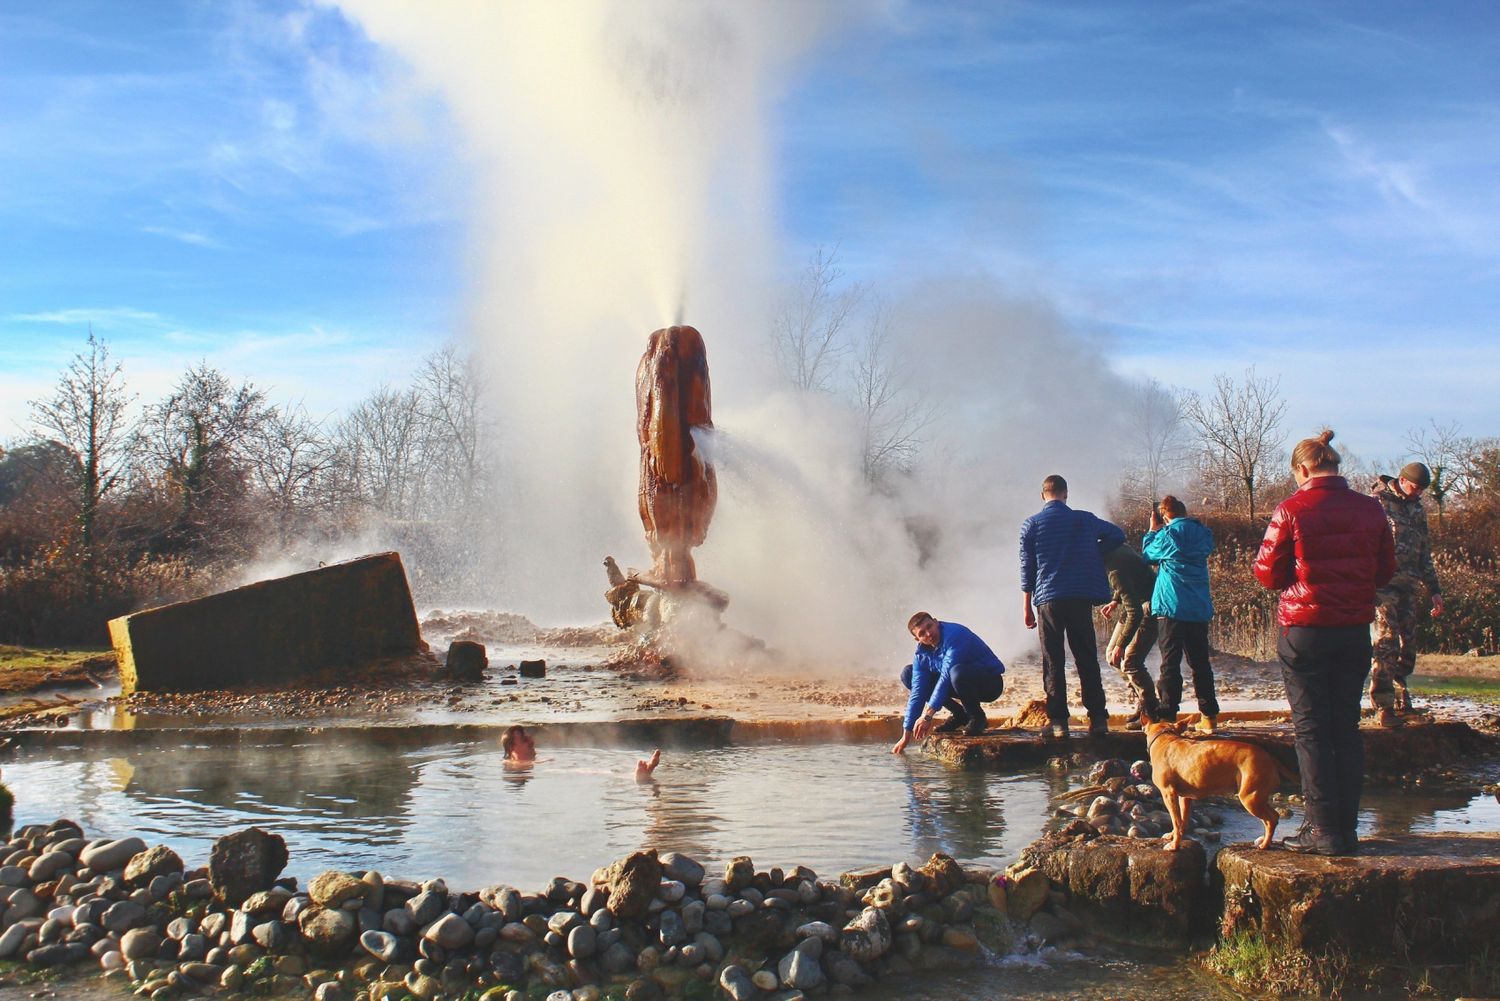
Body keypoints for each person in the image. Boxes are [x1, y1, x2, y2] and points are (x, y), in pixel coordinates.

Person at [1253, 430, 1395, 856]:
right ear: (1335, 465)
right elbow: (1385, 572)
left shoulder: (1290, 510)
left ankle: (1322, 830)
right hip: (1353, 630)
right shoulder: (1372, 510)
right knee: (1346, 729)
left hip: (1305, 632)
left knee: (1312, 731)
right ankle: (1346, 830)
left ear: (1301, 469)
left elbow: (1267, 574)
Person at [1019, 475, 1126, 738]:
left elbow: (1027, 568)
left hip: (1048, 599)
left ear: (1042, 495)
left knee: (1053, 660)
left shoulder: (1031, 525)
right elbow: (1117, 535)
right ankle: (1098, 719)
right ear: (1066, 494)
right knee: (1086, 657)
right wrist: (1093, 551)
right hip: (1079, 597)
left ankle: (1058, 723)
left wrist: (1026, 607)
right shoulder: (1085, 519)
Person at [1369, 462, 1444, 726]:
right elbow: (1365, 543)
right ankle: (1384, 705)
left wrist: (1434, 590)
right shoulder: (1377, 503)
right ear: (1401, 480)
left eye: (1422, 490)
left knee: (1407, 646)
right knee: (1386, 641)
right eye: (1414, 487)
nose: (1418, 493)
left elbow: (1424, 554)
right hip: (1383, 585)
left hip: (1409, 586)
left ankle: (1401, 695)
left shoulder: (1417, 509)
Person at [1143, 495, 1220, 733]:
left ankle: (1167, 714)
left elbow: (1148, 555)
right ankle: (1209, 716)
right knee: (1200, 663)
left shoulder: (1167, 535)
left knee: (1170, 664)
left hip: (1171, 607)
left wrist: (1152, 531)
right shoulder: (1203, 534)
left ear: (1165, 516)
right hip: (1197, 608)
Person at [892, 612, 1006, 753]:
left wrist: (927, 716)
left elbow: (946, 678)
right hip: (958, 681)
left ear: (936, 622)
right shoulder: (921, 656)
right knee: (908, 673)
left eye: (930, 626)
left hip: (990, 684)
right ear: (917, 639)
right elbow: (917, 693)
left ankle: (977, 717)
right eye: (922, 633)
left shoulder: (955, 634)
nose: (928, 633)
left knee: (956, 672)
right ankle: (960, 715)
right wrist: (905, 736)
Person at [1100, 542, 1163, 729]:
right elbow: (1132, 577)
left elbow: (1136, 612)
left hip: (1148, 607)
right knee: (1111, 656)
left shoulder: (1114, 568)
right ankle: (1142, 700)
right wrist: (1115, 600)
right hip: (1136, 604)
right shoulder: (1119, 548)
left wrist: (1122, 644)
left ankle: (1151, 712)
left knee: (1131, 661)